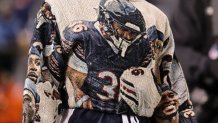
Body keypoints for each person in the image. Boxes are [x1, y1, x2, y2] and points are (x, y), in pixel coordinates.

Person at [59, 0, 197, 122]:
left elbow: (166, 82)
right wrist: (80, 95)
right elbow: (59, 76)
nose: (128, 36)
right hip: (88, 113)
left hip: (134, 114)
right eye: (125, 30)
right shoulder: (81, 31)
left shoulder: (148, 38)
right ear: (106, 20)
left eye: (133, 33)